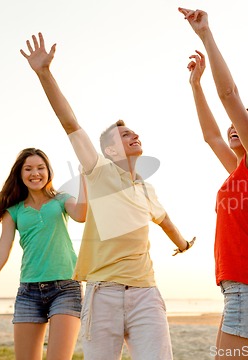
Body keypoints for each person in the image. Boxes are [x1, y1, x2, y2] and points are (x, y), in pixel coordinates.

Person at [20, 32, 195, 360]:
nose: (134, 135)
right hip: (103, 295)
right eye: (125, 134)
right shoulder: (98, 170)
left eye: (134, 132)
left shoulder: (147, 189)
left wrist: (184, 244)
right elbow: (69, 121)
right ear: (110, 148)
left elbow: (165, 220)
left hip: (146, 293)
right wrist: (44, 74)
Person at [179, 8, 248, 359]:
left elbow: (229, 96)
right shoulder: (239, 170)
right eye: (236, 124)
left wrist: (206, 35)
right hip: (240, 287)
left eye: (247, 123)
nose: (235, 125)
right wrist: (195, 85)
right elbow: (211, 135)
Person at [0, 148, 88, 360]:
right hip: (29, 292)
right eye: (28, 168)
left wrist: (85, 177)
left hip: (66, 288)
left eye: (40, 168)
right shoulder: (13, 211)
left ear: (48, 171)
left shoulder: (62, 199)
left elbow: (82, 215)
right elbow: (1, 253)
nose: (35, 173)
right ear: (20, 174)